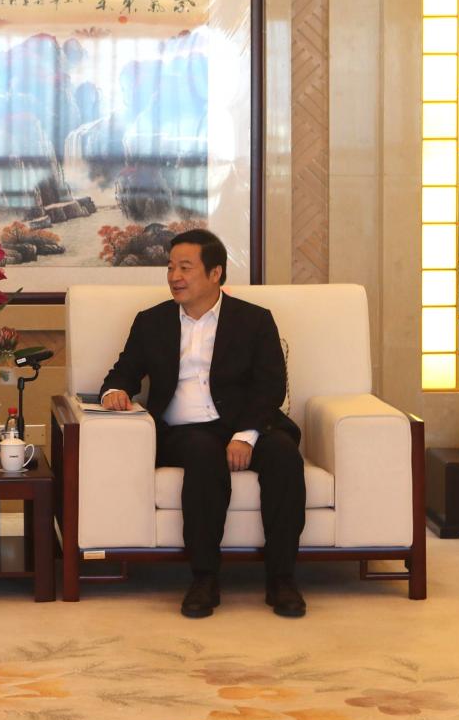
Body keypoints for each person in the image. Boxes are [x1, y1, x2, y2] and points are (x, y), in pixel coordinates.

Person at [99, 229, 306, 618]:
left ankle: (282, 579)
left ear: (215, 273)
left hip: (246, 424)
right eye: (170, 268)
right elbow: (123, 372)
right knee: (203, 453)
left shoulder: (254, 320)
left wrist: (245, 436)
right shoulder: (152, 321)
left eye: (185, 268)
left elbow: (270, 387)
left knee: (284, 455)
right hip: (183, 432)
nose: (174, 276)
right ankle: (204, 578)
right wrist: (114, 391)